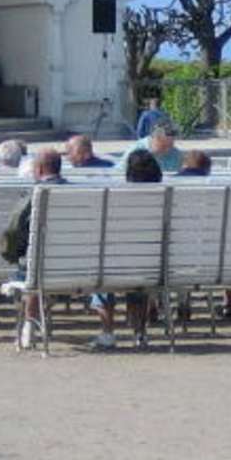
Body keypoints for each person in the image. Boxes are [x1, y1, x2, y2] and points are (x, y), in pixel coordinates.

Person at [91, 148, 166, 350]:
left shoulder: (116, 199)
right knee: (141, 269)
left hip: (115, 265)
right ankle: (140, 333)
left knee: (104, 270)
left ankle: (108, 332)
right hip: (152, 266)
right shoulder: (165, 199)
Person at [0, 147, 66, 349]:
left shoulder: (34, 194)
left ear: (39, 169)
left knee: (30, 267)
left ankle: (29, 326)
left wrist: (9, 254)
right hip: (73, 266)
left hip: (38, 267)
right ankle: (38, 317)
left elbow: (14, 230)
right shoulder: (77, 193)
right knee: (37, 261)